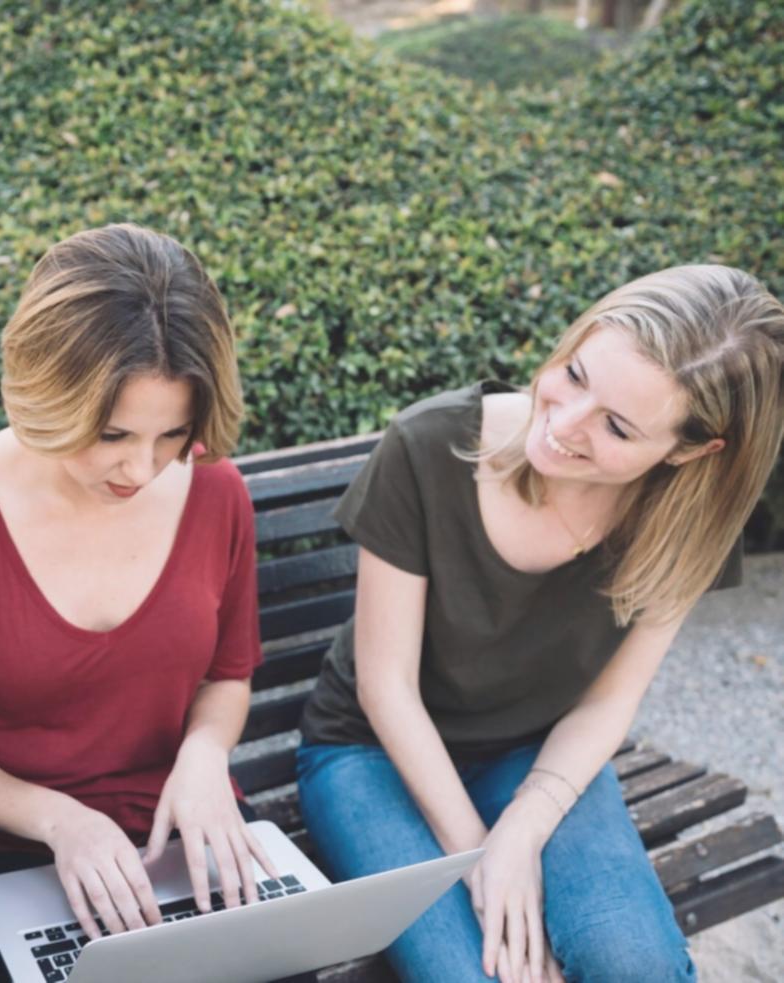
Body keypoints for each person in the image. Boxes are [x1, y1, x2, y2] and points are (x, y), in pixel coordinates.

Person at [296, 265, 784, 983]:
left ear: (688, 450)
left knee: (637, 966)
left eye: (617, 425)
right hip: (368, 754)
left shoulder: (686, 524)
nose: (563, 423)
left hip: (537, 751)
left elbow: (609, 702)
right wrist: (481, 859)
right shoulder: (426, 447)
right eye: (575, 373)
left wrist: (522, 831)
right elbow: (386, 688)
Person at [0, 224, 276, 982]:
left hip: (175, 828)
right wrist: (62, 821)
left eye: (173, 434)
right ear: (49, 392)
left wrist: (204, 755)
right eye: (112, 432)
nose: (142, 467)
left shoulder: (217, 491)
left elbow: (227, 676)